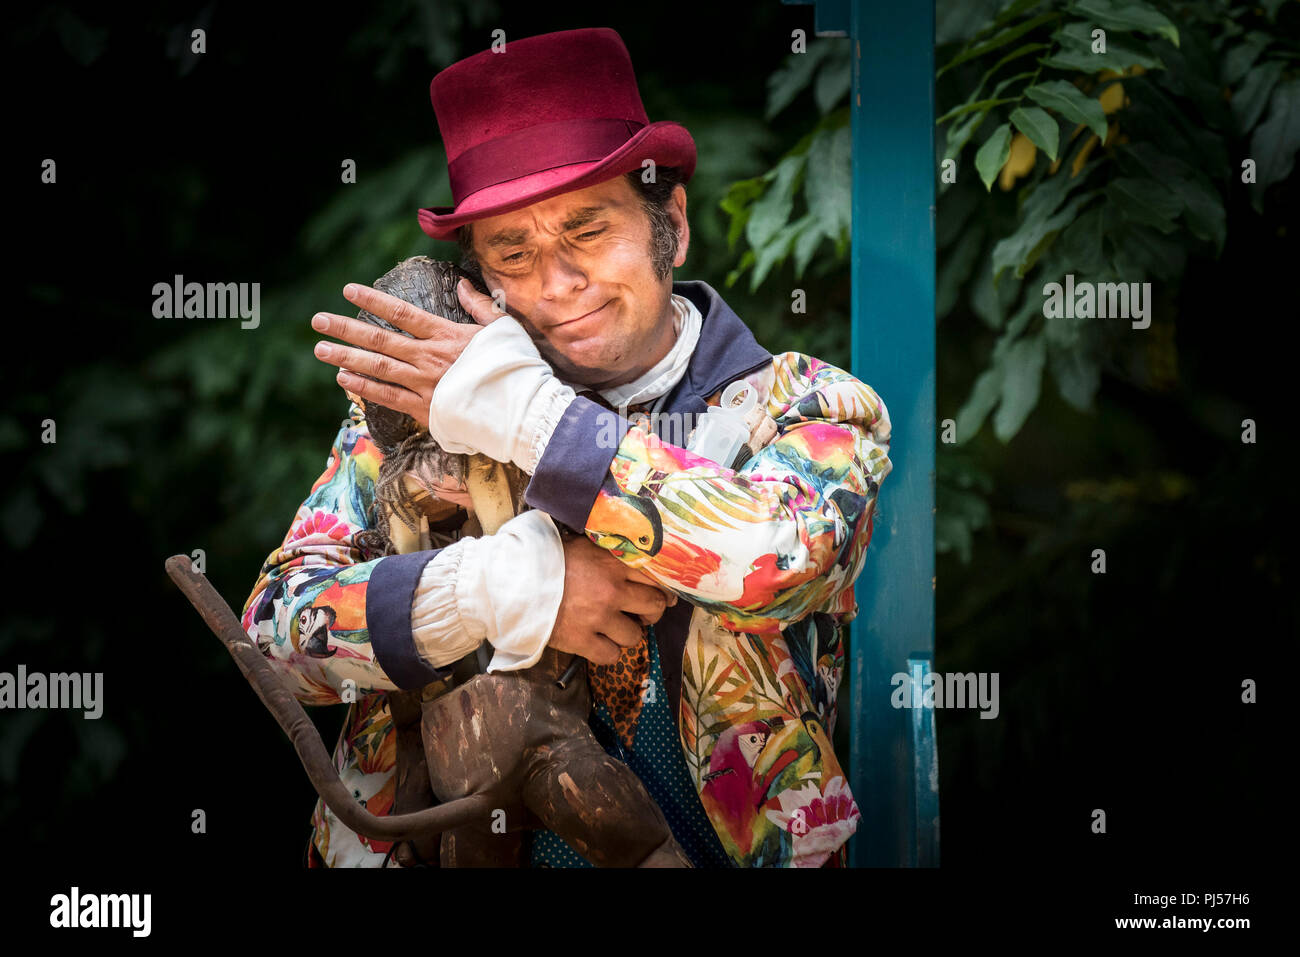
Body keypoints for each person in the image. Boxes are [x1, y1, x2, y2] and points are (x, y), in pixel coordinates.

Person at [241, 26, 892, 869]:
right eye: (514, 252)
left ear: (672, 225)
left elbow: (776, 560)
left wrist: (529, 415)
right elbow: (274, 641)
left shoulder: (810, 405)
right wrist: (491, 590)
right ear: (480, 276)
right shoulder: (408, 420)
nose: (557, 282)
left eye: (588, 231)